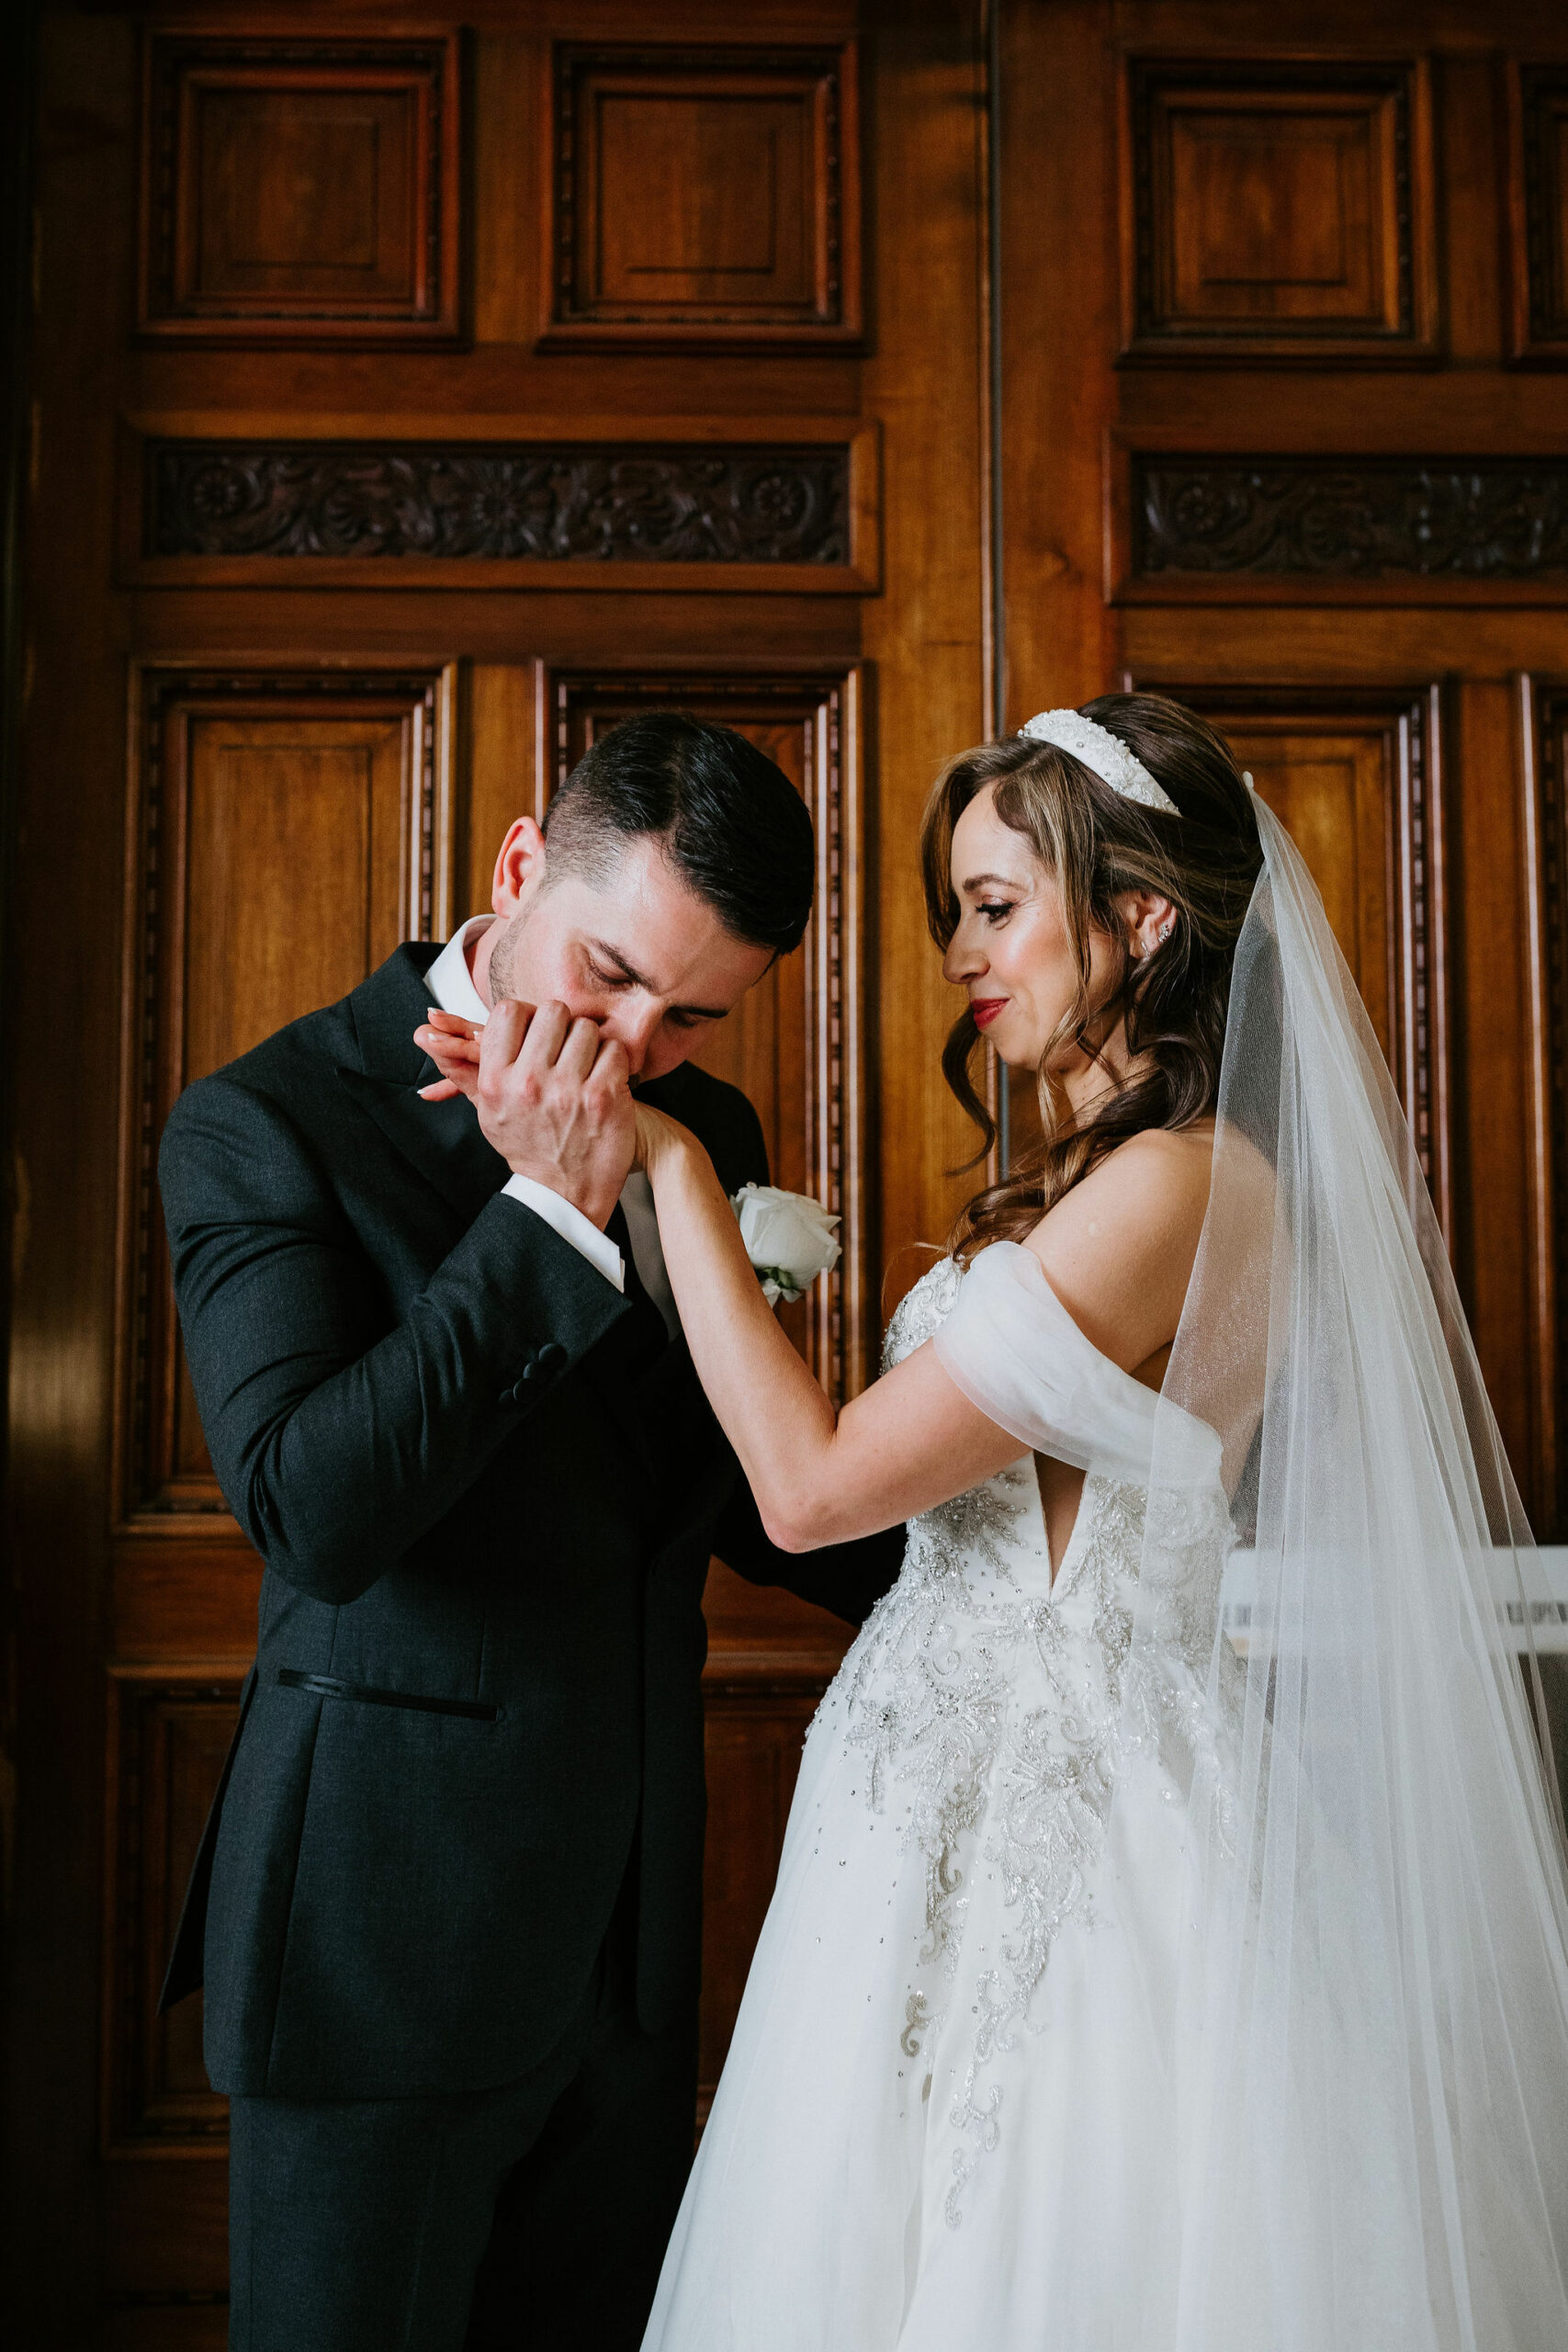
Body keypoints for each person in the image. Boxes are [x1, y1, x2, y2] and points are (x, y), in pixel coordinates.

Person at [432, 695, 1568, 2346]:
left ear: (1142, 915)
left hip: (1068, 1820)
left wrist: (667, 1165)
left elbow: (813, 1491)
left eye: (996, 904)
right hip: (924, 1813)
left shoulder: (1177, 1186)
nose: (961, 951)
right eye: (956, 906)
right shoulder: (1121, 1174)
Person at [155, 713, 904, 2352]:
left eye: (694, 1015)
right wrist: (552, 1212)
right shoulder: (264, 1122)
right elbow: (316, 1510)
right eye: (609, 975)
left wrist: (1013, 1559)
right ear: (515, 868)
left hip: (633, 1952)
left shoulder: (714, 1141)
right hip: (381, 1943)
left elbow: (746, 1491)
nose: (636, 1045)